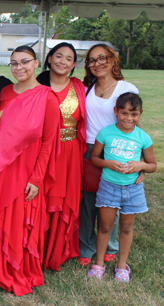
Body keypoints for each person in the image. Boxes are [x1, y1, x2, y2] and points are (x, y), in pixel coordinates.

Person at [0, 45, 61, 296]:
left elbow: (49, 141)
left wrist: (37, 178)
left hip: (28, 169)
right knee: (2, 214)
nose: (19, 68)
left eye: (24, 62)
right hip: (2, 167)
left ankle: (18, 268)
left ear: (36, 63)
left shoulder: (46, 96)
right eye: (14, 63)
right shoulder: (5, 91)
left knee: (20, 219)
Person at [78, 44, 140, 266]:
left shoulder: (126, 88)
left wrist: (140, 162)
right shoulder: (87, 87)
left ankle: (111, 245)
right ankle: (85, 245)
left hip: (117, 148)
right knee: (87, 200)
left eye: (102, 58)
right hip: (88, 148)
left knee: (113, 199)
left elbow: (134, 123)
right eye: (92, 60)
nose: (97, 63)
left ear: (113, 60)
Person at [87, 93, 156, 282]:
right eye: (124, 113)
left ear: (140, 113)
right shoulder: (106, 133)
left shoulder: (144, 137)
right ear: (116, 111)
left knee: (126, 228)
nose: (128, 118)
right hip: (109, 187)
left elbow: (152, 165)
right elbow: (94, 158)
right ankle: (99, 264)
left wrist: (140, 166)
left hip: (132, 189)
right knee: (105, 226)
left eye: (134, 114)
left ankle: (121, 266)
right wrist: (108, 163)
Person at [36, 43, 86, 271]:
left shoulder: (80, 88)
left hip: (70, 152)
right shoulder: (35, 85)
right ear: (48, 59)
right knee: (43, 199)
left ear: (74, 65)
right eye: (58, 56)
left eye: (68, 59)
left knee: (65, 200)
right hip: (43, 152)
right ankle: (38, 249)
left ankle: (59, 249)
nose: (62, 61)